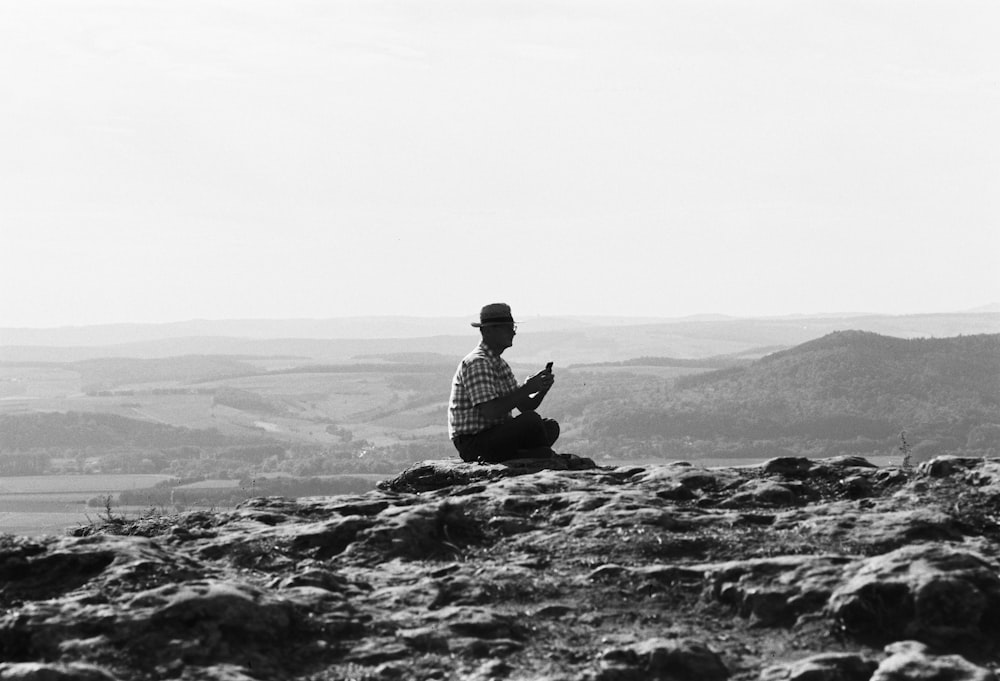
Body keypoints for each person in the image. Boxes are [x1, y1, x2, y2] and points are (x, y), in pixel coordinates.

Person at [449, 303, 561, 464]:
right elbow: (490, 412)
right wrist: (527, 388)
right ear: (487, 331)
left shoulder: (499, 364)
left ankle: (527, 455)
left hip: (495, 436)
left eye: (513, 327)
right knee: (531, 421)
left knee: (549, 426)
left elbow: (525, 406)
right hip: (474, 442)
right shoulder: (478, 363)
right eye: (507, 328)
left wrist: (542, 388)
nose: (513, 333)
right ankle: (530, 455)